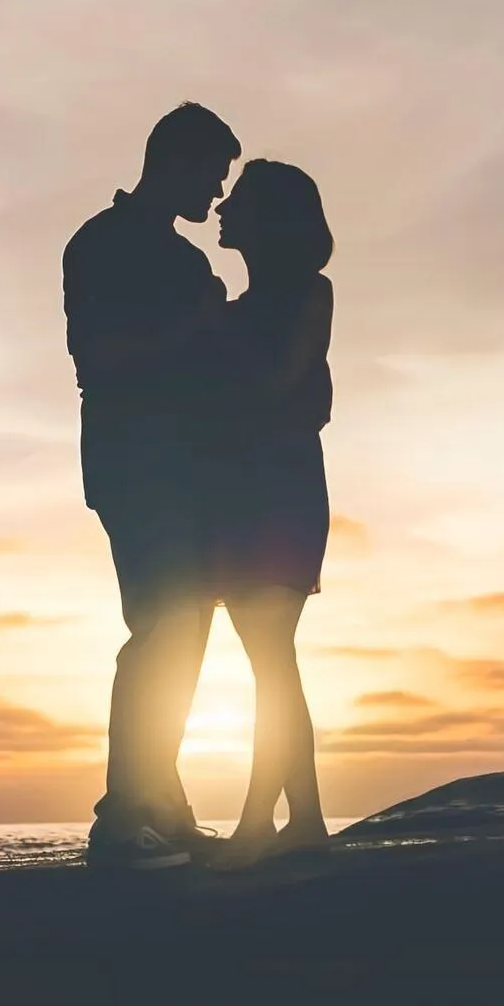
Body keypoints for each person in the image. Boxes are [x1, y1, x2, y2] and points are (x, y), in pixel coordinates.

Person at [63, 103, 239, 868]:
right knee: (159, 628)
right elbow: (100, 359)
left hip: (190, 469)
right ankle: (122, 814)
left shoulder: (186, 260)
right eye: (214, 173)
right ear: (176, 160)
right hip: (136, 465)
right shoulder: (101, 244)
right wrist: (197, 329)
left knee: (186, 632)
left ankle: (162, 806)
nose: (219, 193)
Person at [199, 159, 335, 868]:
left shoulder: (308, 294)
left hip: (278, 495)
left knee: (272, 660)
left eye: (239, 200)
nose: (222, 207)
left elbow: (283, 387)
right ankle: (302, 816)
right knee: (271, 663)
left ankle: (265, 820)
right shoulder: (230, 309)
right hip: (245, 495)